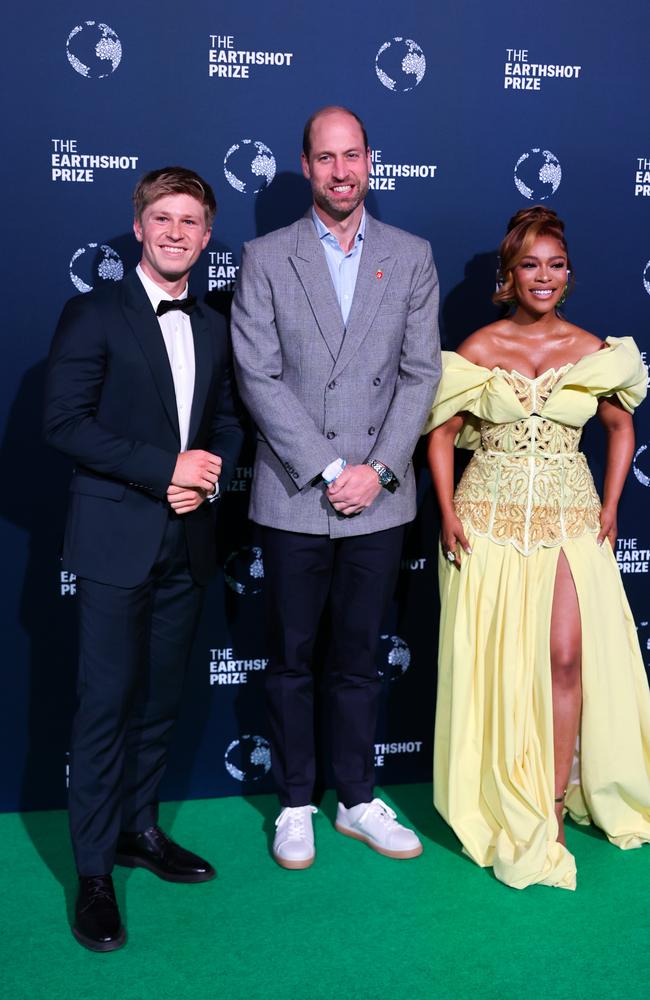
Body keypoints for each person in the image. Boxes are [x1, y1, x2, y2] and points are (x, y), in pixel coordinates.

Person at [230, 106, 440, 869]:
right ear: (307, 164)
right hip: (294, 494)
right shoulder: (265, 256)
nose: (341, 171)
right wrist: (327, 469)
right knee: (289, 657)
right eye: (326, 158)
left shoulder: (411, 255)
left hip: (380, 497)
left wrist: (378, 470)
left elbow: (421, 375)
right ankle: (294, 804)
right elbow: (258, 374)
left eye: (352, 156)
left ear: (370, 161)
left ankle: (355, 797)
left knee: (357, 658)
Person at [44, 167, 243, 949]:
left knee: (161, 701)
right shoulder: (92, 313)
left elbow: (226, 423)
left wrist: (209, 473)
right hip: (114, 540)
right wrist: (165, 468)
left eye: (191, 221)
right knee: (104, 708)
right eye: (163, 218)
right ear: (138, 227)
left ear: (205, 235)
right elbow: (62, 424)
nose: (176, 232)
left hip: (186, 544)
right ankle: (94, 871)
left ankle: (139, 830)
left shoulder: (216, 326)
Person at [426, 206, 650, 890]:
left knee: (563, 655)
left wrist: (611, 505)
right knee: (498, 663)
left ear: (568, 273)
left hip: (569, 522)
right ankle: (502, 793)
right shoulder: (481, 346)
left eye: (555, 264)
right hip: (486, 523)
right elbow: (439, 435)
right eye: (530, 264)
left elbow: (621, 427)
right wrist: (445, 513)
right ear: (510, 274)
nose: (543, 276)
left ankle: (553, 805)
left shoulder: (591, 349)